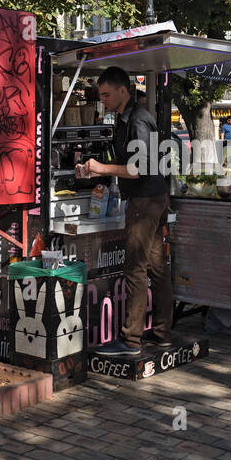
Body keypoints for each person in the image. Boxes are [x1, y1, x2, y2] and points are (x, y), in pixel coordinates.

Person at [82, 66, 173, 357]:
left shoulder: (137, 120)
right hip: (153, 198)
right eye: (101, 95)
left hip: (145, 201)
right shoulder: (127, 118)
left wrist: (100, 168)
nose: (104, 100)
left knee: (135, 268)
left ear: (124, 90)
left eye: (107, 94)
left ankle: (131, 340)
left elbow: (138, 169)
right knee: (157, 268)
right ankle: (162, 334)